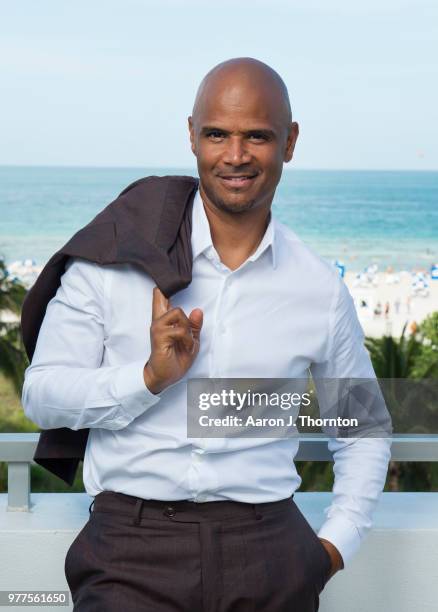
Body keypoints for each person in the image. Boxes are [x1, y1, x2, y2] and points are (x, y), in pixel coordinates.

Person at [22, 57, 391, 611]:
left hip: (270, 552)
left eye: (257, 137)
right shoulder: (111, 261)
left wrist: (333, 547)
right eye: (217, 133)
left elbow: (361, 428)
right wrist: (147, 379)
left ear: (289, 142)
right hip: (130, 549)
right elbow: (43, 397)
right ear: (192, 135)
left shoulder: (318, 288)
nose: (235, 155)